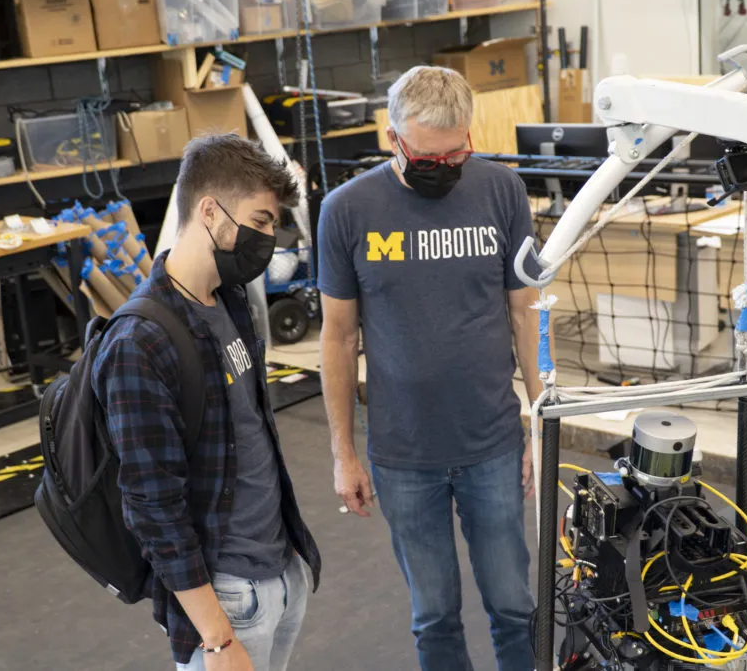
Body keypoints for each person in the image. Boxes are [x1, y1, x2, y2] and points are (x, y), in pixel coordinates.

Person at [317, 66, 543, 671]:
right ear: (394, 138)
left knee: (514, 606)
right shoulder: (346, 211)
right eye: (428, 157)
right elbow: (337, 338)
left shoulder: (502, 191)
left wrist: (540, 420)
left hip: (492, 441)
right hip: (403, 452)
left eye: (456, 155)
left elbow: (524, 313)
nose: (444, 168)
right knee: (435, 615)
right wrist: (344, 454)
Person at [93, 134, 321, 671]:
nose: (268, 237)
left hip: (278, 570)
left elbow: (250, 432)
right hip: (226, 601)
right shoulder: (139, 343)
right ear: (209, 211)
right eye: (261, 221)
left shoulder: (230, 300)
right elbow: (152, 507)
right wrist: (217, 639)